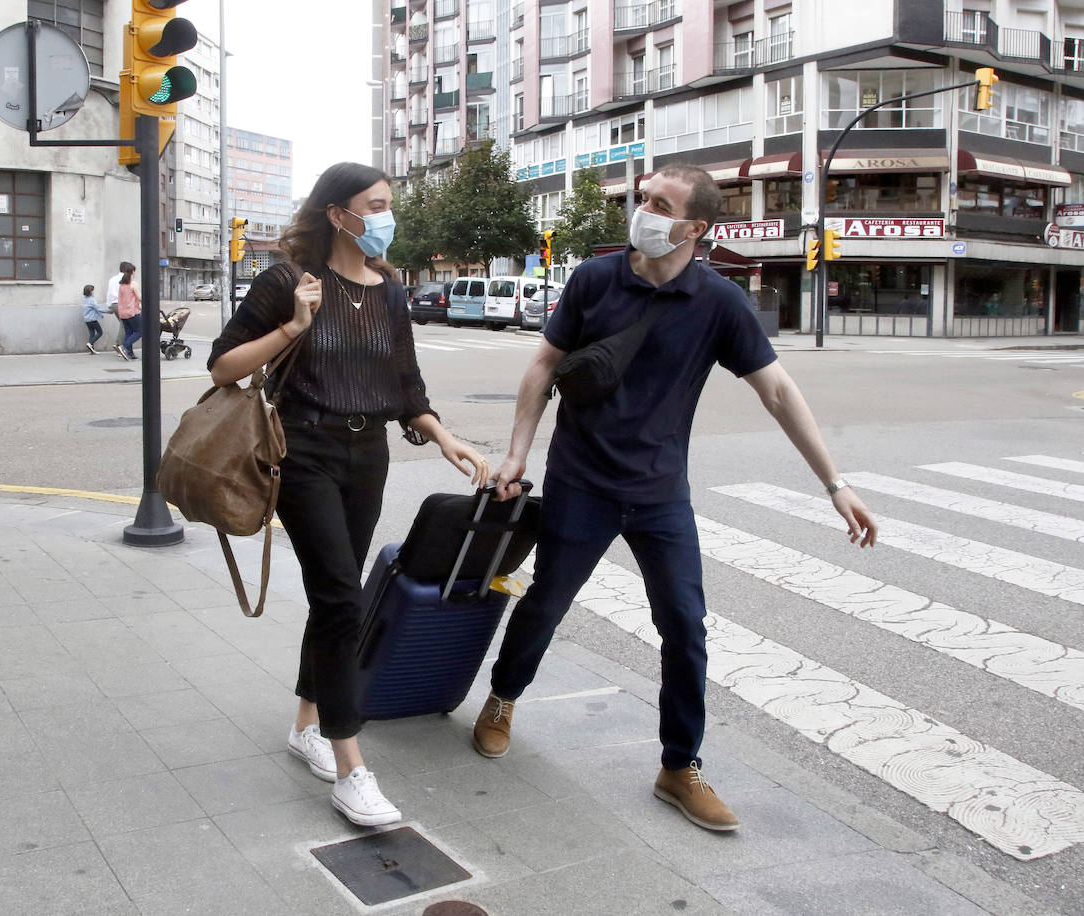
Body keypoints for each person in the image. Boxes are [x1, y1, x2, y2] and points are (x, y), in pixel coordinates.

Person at [479, 164, 879, 833]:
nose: (643, 211)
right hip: (582, 480)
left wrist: (835, 484)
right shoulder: (594, 280)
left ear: (696, 227)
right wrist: (518, 451)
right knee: (546, 602)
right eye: (642, 200)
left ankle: (678, 766)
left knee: (685, 628)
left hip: (661, 492)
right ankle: (502, 697)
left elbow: (778, 392)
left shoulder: (718, 303)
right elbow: (543, 365)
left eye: (660, 204)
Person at [208, 162, 490, 827]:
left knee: (336, 598)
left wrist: (444, 437)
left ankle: (306, 721)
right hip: (302, 452)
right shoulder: (288, 282)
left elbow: (406, 385)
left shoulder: (390, 292)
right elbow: (222, 365)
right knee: (341, 597)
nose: (387, 217)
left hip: (369, 456)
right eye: (377, 205)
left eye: (390, 205)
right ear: (339, 214)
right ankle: (350, 766)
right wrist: (291, 327)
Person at [114, 264, 143, 360]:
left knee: (128, 333)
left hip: (122, 313)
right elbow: (140, 298)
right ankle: (124, 346)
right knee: (140, 331)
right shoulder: (133, 284)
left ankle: (130, 354)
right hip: (132, 312)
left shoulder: (121, 284)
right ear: (132, 272)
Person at [106, 260, 130, 349]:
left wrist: (109, 305)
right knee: (124, 324)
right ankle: (119, 345)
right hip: (122, 304)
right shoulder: (126, 279)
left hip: (113, 304)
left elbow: (109, 293)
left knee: (123, 324)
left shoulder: (112, 279)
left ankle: (122, 345)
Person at [81, 284, 107, 353]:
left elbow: (94, 309)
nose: (94, 292)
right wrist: (108, 311)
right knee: (100, 332)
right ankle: (90, 343)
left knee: (92, 334)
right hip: (92, 320)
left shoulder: (84, 299)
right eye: (93, 291)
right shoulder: (92, 300)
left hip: (87, 320)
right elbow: (98, 308)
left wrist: (101, 315)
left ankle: (91, 349)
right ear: (90, 292)